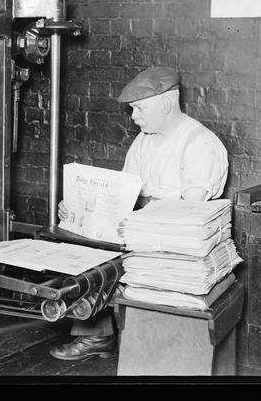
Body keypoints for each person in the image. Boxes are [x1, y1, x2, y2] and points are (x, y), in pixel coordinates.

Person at [50, 66, 229, 361]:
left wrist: (138, 214)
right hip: (140, 230)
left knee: (103, 266)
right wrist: (81, 210)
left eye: (139, 108)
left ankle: (99, 333)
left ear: (167, 103)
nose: (133, 117)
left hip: (173, 242)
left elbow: (187, 214)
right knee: (77, 243)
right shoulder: (144, 140)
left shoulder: (200, 143)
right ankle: (96, 336)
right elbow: (123, 192)